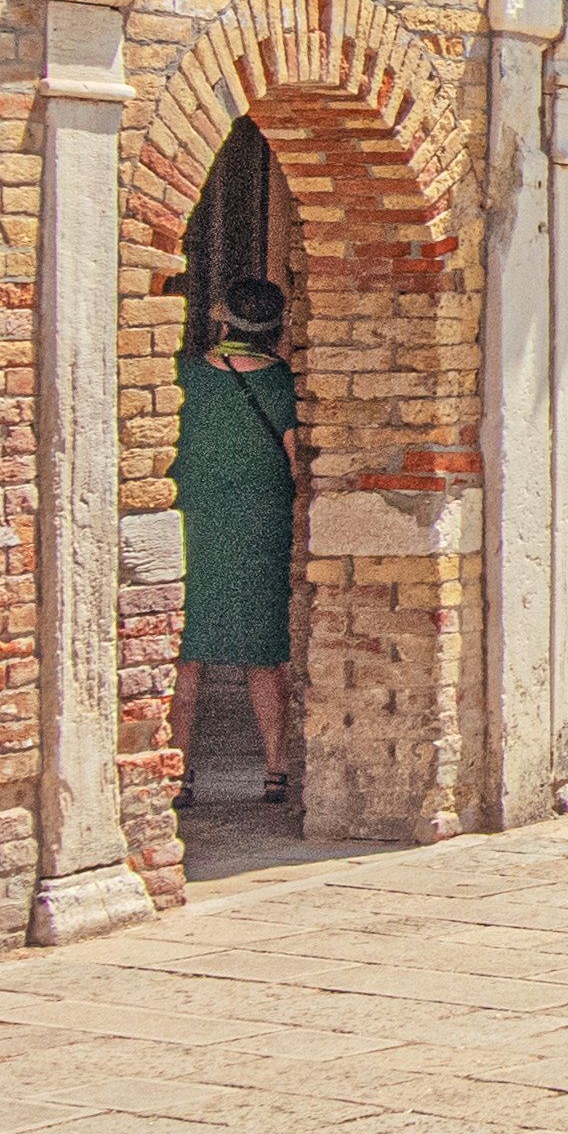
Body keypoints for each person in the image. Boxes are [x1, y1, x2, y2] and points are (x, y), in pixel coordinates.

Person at [176, 274, 309, 801]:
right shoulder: (284, 386)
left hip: (194, 526)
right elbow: (297, 462)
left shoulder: (184, 376)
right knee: (265, 654)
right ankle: (276, 768)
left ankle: (178, 771)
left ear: (224, 320)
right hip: (262, 527)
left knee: (186, 658)